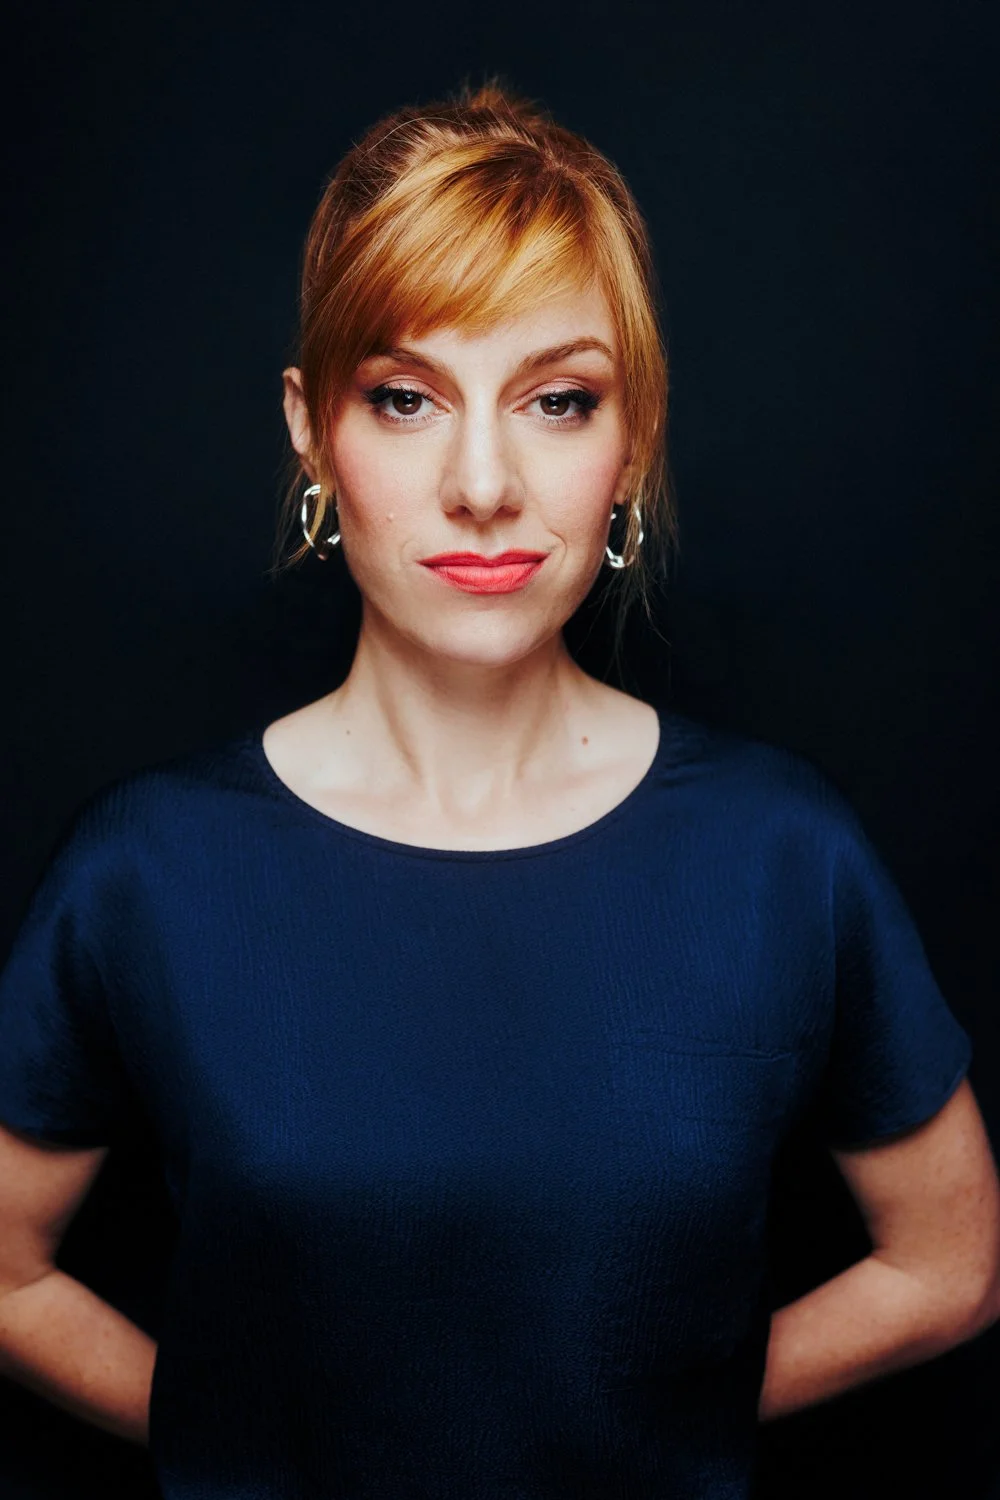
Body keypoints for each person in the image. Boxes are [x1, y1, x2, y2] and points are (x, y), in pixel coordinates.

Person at [0, 76, 997, 1500]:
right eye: (404, 398)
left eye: (559, 400)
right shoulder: (146, 872)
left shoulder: (782, 855)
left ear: (631, 439)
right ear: (309, 430)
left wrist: (658, 1417)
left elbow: (948, 1266)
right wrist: (249, 1434)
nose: (482, 482)